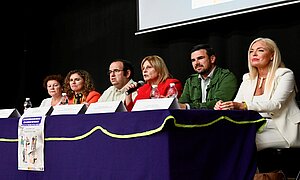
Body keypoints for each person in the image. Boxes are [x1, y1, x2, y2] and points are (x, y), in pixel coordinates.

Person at [214, 37, 300, 150]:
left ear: (272, 55)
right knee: (220, 135)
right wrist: (224, 106)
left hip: (281, 128)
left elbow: (276, 104)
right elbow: (237, 103)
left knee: (242, 142)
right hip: (254, 125)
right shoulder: (248, 78)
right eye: (251, 51)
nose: (254, 54)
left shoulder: (285, 74)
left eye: (260, 50)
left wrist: (243, 106)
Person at [178, 44, 238, 109]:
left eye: (200, 58)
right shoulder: (190, 80)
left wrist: (189, 107)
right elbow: (182, 103)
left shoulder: (227, 77)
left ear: (212, 59)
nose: (196, 63)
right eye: (193, 60)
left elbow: (219, 103)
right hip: (193, 118)